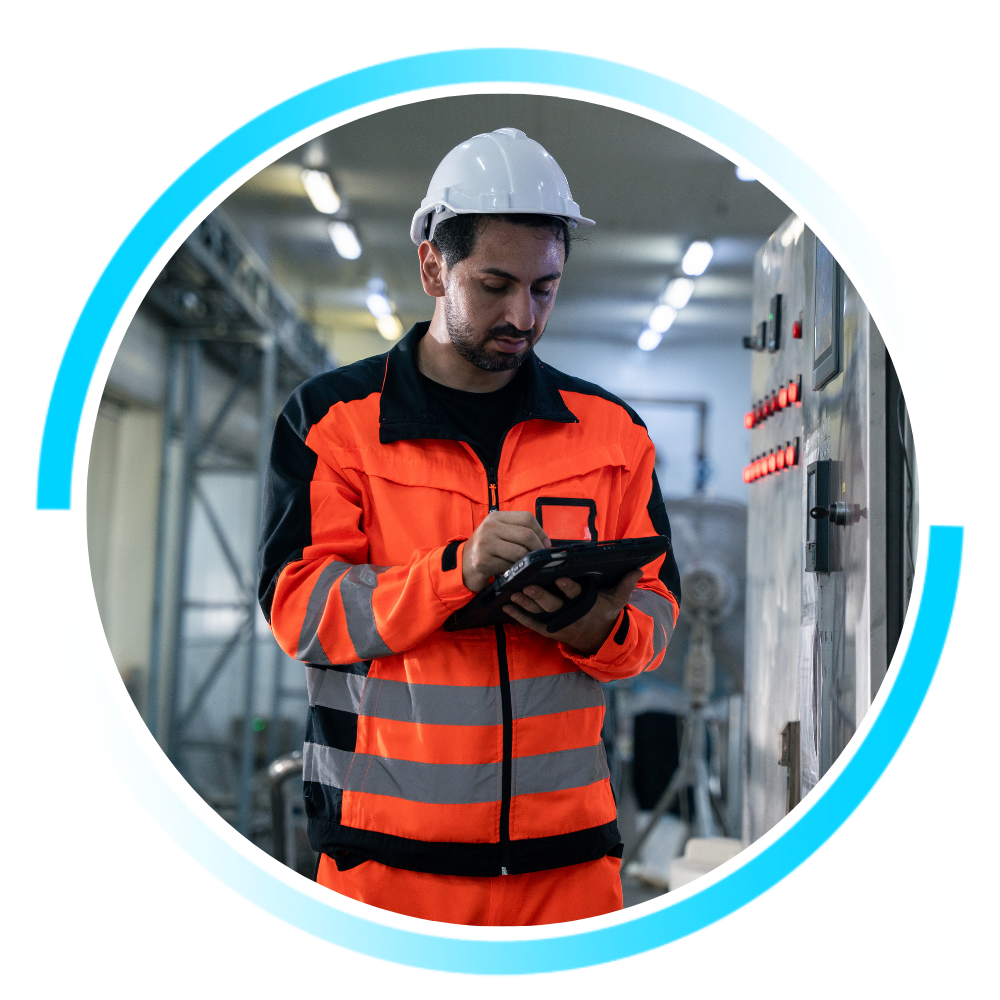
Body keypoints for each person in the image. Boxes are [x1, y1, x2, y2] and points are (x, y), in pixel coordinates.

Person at [258, 127, 681, 925]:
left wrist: (600, 630)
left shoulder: (611, 436)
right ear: (432, 267)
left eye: (545, 288)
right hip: (387, 870)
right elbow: (300, 610)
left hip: (570, 871)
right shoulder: (335, 423)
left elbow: (658, 609)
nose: (522, 314)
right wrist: (456, 571)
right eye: (494, 285)